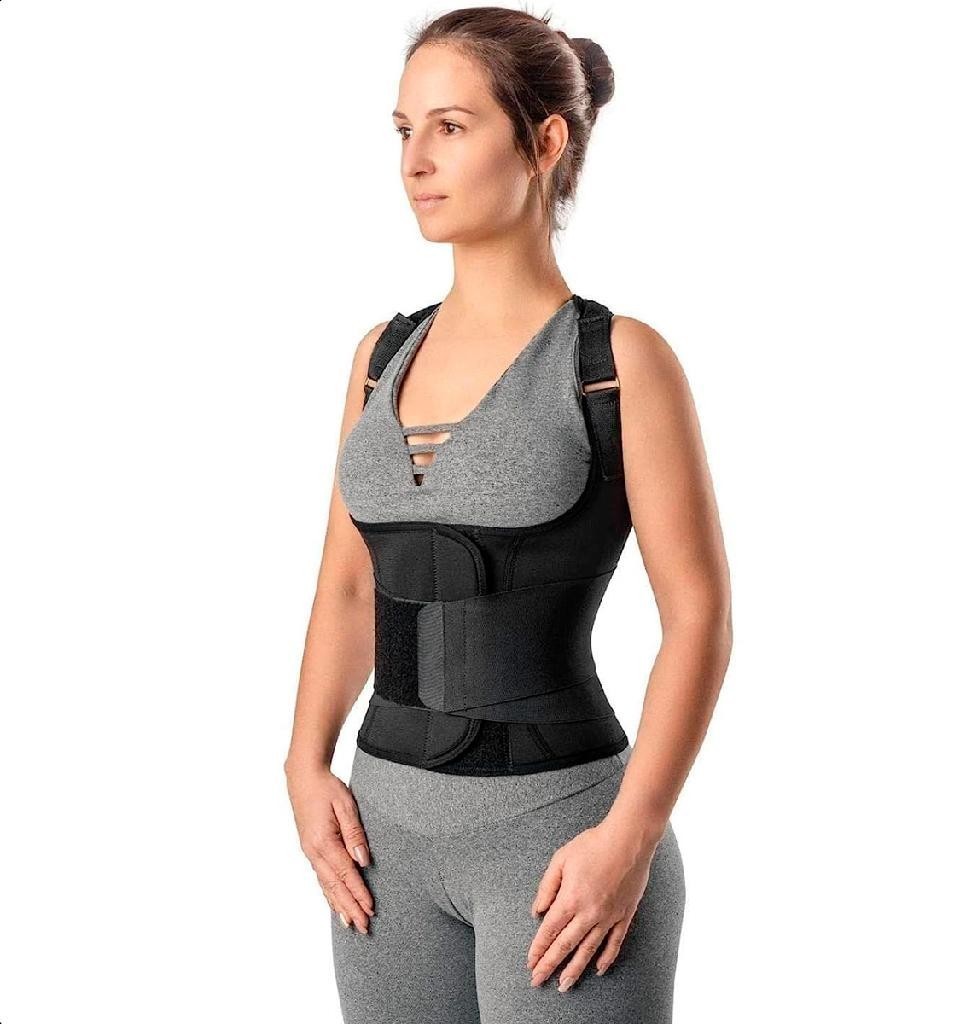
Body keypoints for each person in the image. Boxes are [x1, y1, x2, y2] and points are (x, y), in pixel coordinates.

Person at [284, 8, 733, 1022]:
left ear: (543, 140)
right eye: (404, 130)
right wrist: (304, 762)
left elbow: (698, 617)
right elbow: (348, 586)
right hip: (381, 848)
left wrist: (631, 836)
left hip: (564, 845)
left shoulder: (615, 362)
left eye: (450, 126)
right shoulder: (378, 357)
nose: (415, 161)